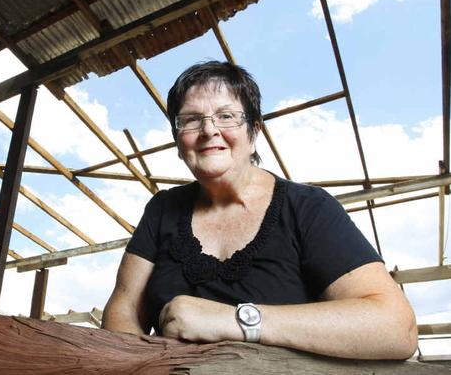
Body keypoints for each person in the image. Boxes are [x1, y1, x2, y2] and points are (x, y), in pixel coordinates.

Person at [102, 61, 417, 360]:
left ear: (254, 133)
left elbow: (396, 328)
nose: (209, 130)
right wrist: (145, 365)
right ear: (179, 142)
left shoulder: (307, 207)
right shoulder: (163, 209)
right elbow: (124, 310)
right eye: (191, 119)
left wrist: (237, 321)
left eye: (226, 116)